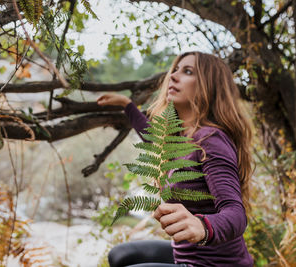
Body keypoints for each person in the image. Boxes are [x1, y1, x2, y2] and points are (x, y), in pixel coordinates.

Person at [97, 51, 254, 267]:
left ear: (209, 85)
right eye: (175, 70)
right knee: (120, 256)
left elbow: (236, 214)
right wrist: (127, 104)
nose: (173, 76)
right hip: (186, 256)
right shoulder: (180, 137)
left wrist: (203, 226)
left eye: (188, 71)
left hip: (215, 265)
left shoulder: (210, 139)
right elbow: (153, 137)